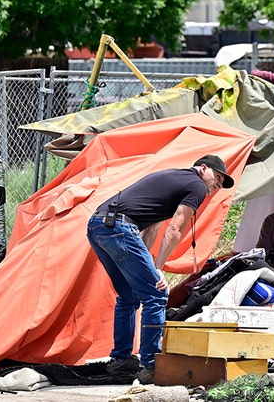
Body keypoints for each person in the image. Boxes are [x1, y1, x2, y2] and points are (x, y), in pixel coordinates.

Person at [87, 154, 234, 384]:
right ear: (202, 168)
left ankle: (121, 361)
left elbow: (151, 230)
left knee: (129, 295)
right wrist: (157, 270)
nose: (217, 185)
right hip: (119, 227)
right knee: (156, 294)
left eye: (220, 183)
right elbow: (175, 228)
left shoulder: (174, 179)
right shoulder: (196, 185)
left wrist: (148, 267)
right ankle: (150, 366)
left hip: (98, 225)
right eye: (216, 177)